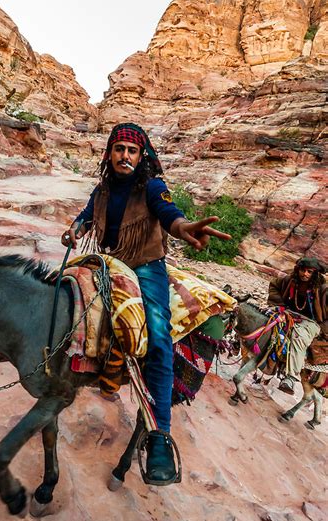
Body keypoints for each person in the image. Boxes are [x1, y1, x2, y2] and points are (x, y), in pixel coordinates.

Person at [61, 122, 231, 485]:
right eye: (119, 149)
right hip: (111, 262)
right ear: (109, 154)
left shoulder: (152, 187)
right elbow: (87, 216)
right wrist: (75, 229)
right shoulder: (102, 190)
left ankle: (159, 437)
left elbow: (170, 215)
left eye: (132, 151)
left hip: (146, 266)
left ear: (142, 156)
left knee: (157, 335)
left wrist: (184, 227)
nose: (125, 156)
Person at [268, 257, 327, 394]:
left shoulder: (324, 290)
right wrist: (279, 306)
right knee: (266, 319)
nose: (305, 274)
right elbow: (274, 286)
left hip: (312, 322)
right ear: (298, 269)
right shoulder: (289, 280)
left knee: (299, 336)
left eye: (309, 272)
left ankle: (291, 377)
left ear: (315, 274)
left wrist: (323, 329)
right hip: (288, 313)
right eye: (302, 270)